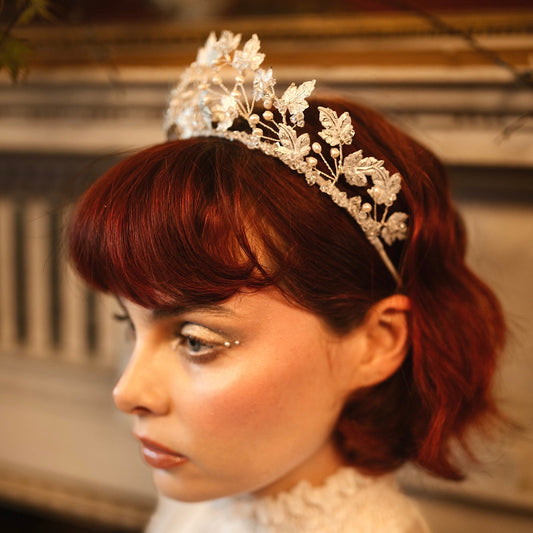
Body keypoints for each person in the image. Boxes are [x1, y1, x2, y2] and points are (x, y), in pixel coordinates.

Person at [68, 32, 505, 533]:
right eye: (131, 325)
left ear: (374, 343)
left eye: (194, 340)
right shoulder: (200, 507)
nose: (127, 392)